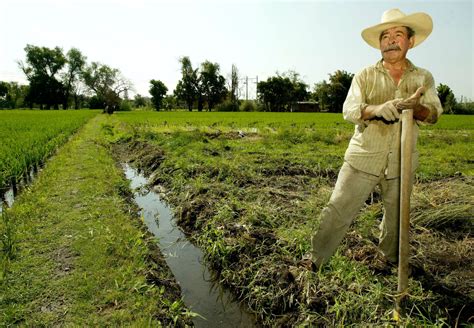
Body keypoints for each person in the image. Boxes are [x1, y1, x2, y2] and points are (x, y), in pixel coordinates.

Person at [304, 8, 443, 269]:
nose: (391, 40)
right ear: (380, 43)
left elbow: (434, 113)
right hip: (363, 157)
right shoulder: (365, 75)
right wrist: (376, 110)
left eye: (398, 34)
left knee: (396, 218)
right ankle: (314, 260)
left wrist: (415, 108)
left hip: (402, 161)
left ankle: (387, 260)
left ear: (410, 42)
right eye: (385, 36)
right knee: (338, 209)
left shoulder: (423, 77)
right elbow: (350, 109)